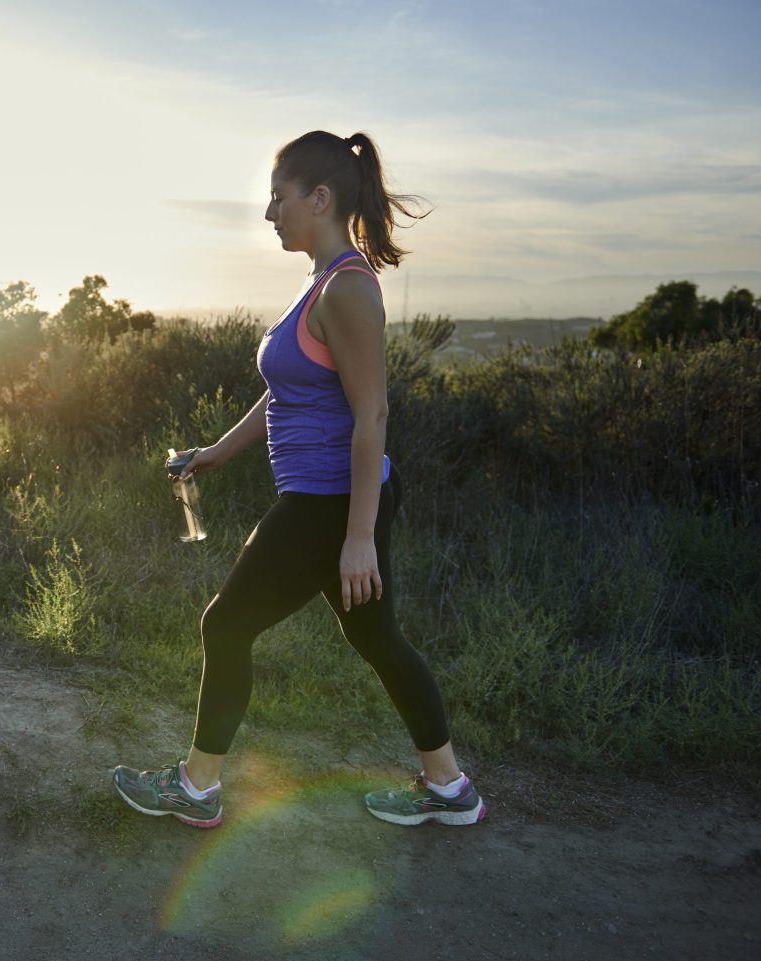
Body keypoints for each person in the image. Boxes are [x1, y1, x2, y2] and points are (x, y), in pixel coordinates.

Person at [111, 130, 485, 829]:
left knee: (225, 625)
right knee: (377, 638)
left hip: (329, 502)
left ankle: (196, 788)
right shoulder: (321, 284)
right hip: (328, 499)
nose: (269, 213)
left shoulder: (348, 289)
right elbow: (286, 391)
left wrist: (358, 536)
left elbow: (372, 414)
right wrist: (219, 451)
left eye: (278, 197)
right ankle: (449, 787)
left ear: (320, 198)